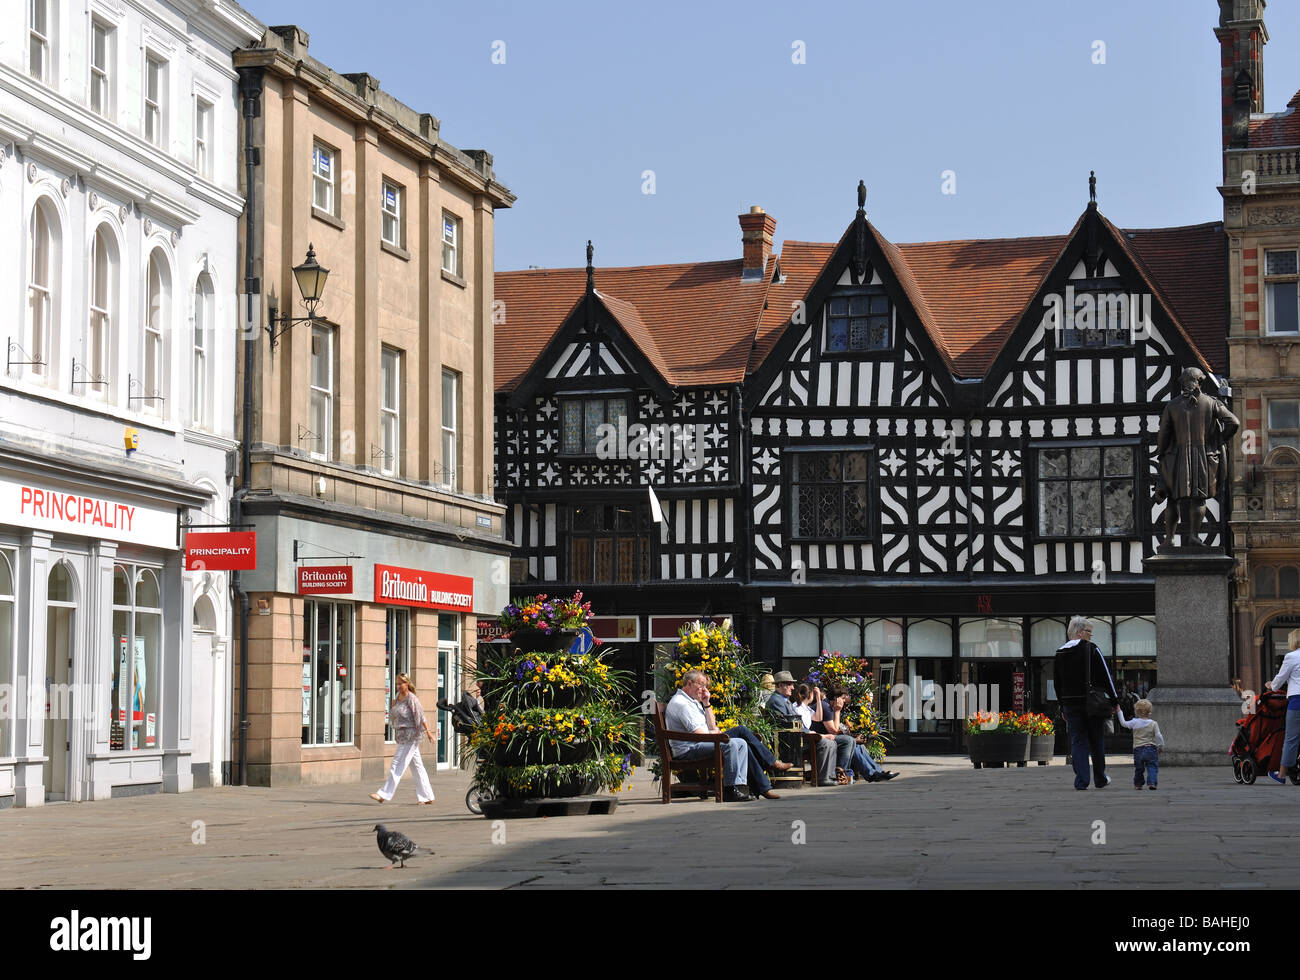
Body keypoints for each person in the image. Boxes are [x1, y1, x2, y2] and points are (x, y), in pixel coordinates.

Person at [665, 670, 790, 801]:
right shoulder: (682, 703)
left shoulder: (693, 701)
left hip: (701, 741)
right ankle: (747, 783)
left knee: (741, 740)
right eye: (701, 684)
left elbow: (712, 727)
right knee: (734, 742)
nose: (704, 689)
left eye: (705, 685)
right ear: (689, 683)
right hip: (689, 748)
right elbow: (700, 735)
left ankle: (741, 787)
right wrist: (715, 734)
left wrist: (707, 703)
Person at [1054, 616, 1118, 790]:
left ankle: (1081, 781)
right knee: (1096, 740)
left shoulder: (1060, 653)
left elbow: (1057, 683)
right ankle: (1100, 778)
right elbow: (1106, 677)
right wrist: (1114, 700)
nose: (1091, 636)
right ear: (1080, 632)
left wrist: (1062, 705)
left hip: (1070, 704)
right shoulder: (1091, 649)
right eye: (1089, 632)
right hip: (1092, 703)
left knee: (1078, 741)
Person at [371, 673, 435, 805]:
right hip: (401, 735)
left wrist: (428, 732)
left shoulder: (412, 698)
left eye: (401, 683)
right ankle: (427, 796)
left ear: (407, 684)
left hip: (411, 736)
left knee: (397, 763)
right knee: (417, 766)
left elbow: (421, 716)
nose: (399, 686)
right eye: (397, 684)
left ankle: (383, 794)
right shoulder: (397, 697)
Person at [814, 685, 896, 783]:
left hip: (829, 739)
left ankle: (877, 772)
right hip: (818, 740)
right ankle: (842, 774)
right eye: (843, 698)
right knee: (850, 741)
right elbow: (834, 731)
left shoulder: (829, 706)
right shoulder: (826, 707)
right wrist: (837, 711)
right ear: (836, 698)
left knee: (858, 746)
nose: (844, 701)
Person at [768, 674, 836, 785]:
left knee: (830, 742)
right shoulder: (777, 701)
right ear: (780, 685)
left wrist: (810, 732)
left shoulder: (784, 700)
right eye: (789, 684)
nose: (793, 688)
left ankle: (828, 776)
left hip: (795, 739)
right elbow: (789, 723)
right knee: (826, 743)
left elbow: (797, 722)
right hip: (789, 743)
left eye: (793, 685)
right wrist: (811, 733)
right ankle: (823, 778)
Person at [1265, 628, 1300, 784]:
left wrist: (1271, 685)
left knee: (1291, 738)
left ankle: (1281, 775)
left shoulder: (1291, 657)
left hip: (1297, 702)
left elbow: (1279, 680)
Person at [1116, 699, 1164, 790]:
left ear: (1137, 711)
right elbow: (1159, 736)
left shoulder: (1134, 722)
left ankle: (1138, 784)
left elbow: (1123, 723)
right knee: (1152, 766)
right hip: (1151, 748)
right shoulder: (1154, 723)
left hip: (1138, 750)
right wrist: (1160, 746)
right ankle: (1152, 783)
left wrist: (1119, 711)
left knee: (1139, 768)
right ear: (1150, 711)